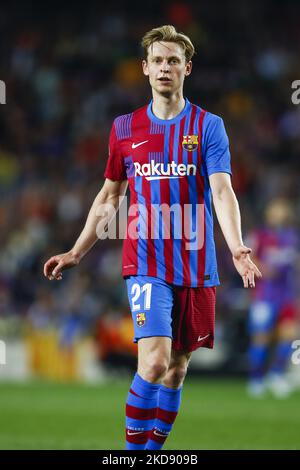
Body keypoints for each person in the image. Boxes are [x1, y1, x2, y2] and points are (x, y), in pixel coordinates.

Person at [43, 25, 262, 450]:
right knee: (155, 361)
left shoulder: (209, 126)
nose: (165, 67)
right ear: (144, 69)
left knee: (177, 369)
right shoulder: (124, 128)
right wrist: (77, 250)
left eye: (173, 61)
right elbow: (110, 196)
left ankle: (152, 454)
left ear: (187, 69)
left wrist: (236, 247)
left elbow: (222, 190)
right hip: (146, 261)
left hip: (197, 264)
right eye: (158, 60)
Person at [247, 198, 298, 398]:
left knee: (289, 334)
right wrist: (263, 269)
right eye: (275, 209)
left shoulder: (292, 237)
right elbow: (248, 257)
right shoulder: (259, 235)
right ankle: (256, 379)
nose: (278, 213)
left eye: (281, 209)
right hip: (265, 295)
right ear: (269, 213)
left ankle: (276, 375)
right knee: (261, 337)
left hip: (286, 294)